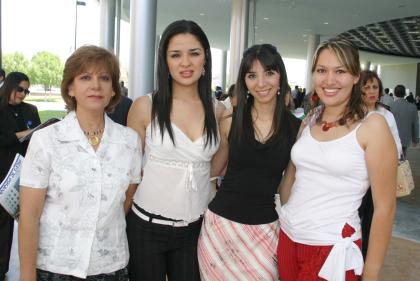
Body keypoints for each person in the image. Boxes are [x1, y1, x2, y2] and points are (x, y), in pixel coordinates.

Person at [18, 45, 142, 281]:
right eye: (85, 77)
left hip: (111, 265)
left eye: (104, 78)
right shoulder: (47, 140)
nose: (96, 85)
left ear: (114, 89)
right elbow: (29, 215)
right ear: (70, 88)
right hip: (55, 267)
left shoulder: (129, 142)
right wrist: (26, 276)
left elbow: (125, 200)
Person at [278, 38, 397, 281]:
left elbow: (385, 207)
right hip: (289, 237)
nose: (329, 80)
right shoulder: (311, 117)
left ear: (355, 77)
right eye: (322, 71)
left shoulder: (372, 125)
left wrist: (371, 273)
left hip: (332, 248)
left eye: (340, 71)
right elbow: (292, 177)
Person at [126, 20, 222, 281]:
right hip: (146, 227)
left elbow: (218, 167)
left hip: (196, 229)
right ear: (164, 61)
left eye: (194, 53)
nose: (186, 63)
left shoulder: (219, 111)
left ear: (205, 58)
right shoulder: (145, 106)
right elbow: (129, 172)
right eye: (175, 55)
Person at [197, 44, 301, 280]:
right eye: (252, 75)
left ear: (280, 77)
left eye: (269, 73)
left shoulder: (296, 129)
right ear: (244, 81)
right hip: (219, 228)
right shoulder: (230, 121)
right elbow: (215, 169)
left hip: (265, 231)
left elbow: (288, 186)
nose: (261, 83)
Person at [0, 71, 40, 281]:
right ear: (10, 86)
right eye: (20, 89)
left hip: (28, 173)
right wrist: (19, 135)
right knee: (3, 224)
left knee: (30, 220)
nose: (23, 94)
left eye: (26, 90)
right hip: (3, 174)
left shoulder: (31, 110)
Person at [359, 70, 402, 259]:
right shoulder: (352, 113)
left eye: (375, 87)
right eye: (366, 87)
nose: (371, 91)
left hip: (377, 180)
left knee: (371, 222)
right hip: (355, 178)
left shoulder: (386, 115)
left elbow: (397, 147)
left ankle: (365, 262)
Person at [390, 84, 419, 157]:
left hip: (391, 138)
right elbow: (415, 124)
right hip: (405, 138)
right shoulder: (412, 107)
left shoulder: (390, 106)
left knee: (392, 157)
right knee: (402, 158)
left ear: (394, 93)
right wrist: (415, 140)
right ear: (405, 93)